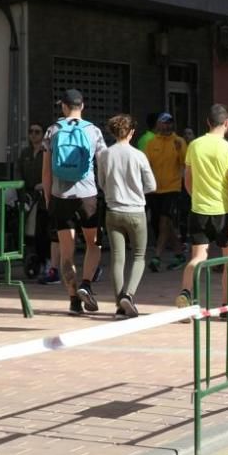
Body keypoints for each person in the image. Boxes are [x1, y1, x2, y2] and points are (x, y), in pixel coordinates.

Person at [41, 89, 107, 315]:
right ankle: (86, 284)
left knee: (66, 253)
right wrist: (104, 191)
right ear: (83, 106)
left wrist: (48, 199)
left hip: (61, 198)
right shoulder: (93, 130)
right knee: (94, 244)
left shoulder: (53, 130)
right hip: (87, 196)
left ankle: (73, 299)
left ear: (64, 107)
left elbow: (46, 171)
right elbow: (103, 164)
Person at [176, 104, 228, 308]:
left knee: (198, 257)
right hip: (225, 211)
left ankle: (186, 293)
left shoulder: (194, 145)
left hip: (199, 210)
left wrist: (195, 196)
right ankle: (226, 306)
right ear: (227, 123)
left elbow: (187, 179)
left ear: (207, 122)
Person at [97, 114, 156, 318]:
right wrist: (137, 191)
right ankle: (129, 295)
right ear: (131, 132)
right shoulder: (139, 155)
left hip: (113, 210)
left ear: (113, 132)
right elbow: (152, 185)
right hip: (136, 210)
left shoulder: (104, 154)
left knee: (117, 258)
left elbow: (101, 183)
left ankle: (119, 304)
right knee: (139, 256)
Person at [144, 112, 187, 272]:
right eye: (164, 123)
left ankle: (156, 257)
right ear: (158, 125)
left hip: (172, 189)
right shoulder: (151, 143)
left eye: (170, 123)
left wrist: (180, 150)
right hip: (154, 190)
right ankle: (179, 253)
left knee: (164, 222)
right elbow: (145, 165)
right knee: (162, 225)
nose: (167, 126)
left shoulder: (179, 141)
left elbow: (185, 163)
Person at [17, 123, 58, 280]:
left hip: (43, 198)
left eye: (37, 132)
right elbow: (18, 171)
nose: (33, 135)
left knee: (43, 231)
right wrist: (21, 190)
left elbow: (53, 171)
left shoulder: (48, 151)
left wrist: (45, 184)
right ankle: (33, 261)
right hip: (28, 196)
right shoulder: (25, 153)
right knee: (28, 232)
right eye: (31, 131)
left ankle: (47, 261)